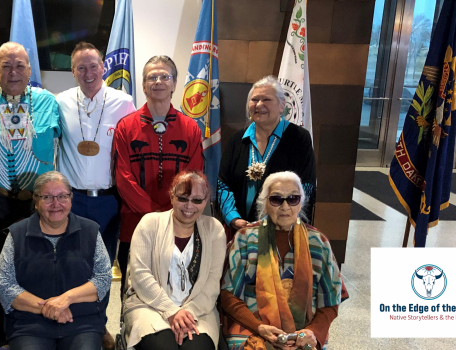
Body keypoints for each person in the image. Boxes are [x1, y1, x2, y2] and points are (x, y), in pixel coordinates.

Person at [0, 41, 61, 343]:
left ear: (30, 69)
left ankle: (37, 333)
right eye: (6, 65)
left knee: (35, 268)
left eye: (19, 65)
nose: (13, 71)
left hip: (36, 206)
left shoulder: (49, 103)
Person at [220, 171, 348, 350]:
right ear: (265, 203)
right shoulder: (245, 238)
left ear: (301, 203)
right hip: (252, 327)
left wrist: (312, 331)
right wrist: (259, 327)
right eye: (276, 199)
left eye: (293, 199)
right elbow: (228, 295)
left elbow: (330, 302)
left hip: (303, 330)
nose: (285, 206)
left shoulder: (318, 242)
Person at [0, 171, 112, 350]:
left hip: (81, 323)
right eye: (47, 197)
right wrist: (49, 309)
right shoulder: (16, 234)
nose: (56, 204)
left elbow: (103, 278)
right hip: (30, 325)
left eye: (62, 196)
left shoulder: (90, 231)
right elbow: (4, 284)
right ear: (35, 200)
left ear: (71, 198)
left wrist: (66, 299)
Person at [113, 55, 204, 280]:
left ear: (174, 84)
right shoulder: (125, 127)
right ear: (143, 85)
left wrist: (172, 214)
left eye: (165, 76)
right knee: (133, 286)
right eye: (152, 77)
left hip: (179, 222)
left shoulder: (190, 128)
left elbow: (193, 178)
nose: (158, 81)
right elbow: (123, 178)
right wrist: (155, 215)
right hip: (136, 224)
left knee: (175, 285)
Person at [121, 170, 226, 350]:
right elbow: (140, 275)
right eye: (183, 198)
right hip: (150, 305)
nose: (189, 206)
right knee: (163, 347)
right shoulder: (150, 223)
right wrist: (172, 311)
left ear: (206, 200)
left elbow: (211, 283)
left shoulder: (214, 229)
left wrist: (186, 313)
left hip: (198, 310)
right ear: (171, 196)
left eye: (197, 200)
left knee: (198, 348)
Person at [57, 41, 135, 264]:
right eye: (80, 68)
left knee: (103, 263)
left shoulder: (124, 103)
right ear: (73, 72)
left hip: (108, 200)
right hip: (71, 199)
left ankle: (100, 301)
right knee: (70, 262)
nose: (87, 73)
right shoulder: (60, 101)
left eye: (93, 66)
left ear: (103, 67)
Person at [217, 76, 316, 234]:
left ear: (282, 105)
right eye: (254, 99)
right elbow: (223, 184)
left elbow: (305, 187)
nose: (259, 105)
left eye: (266, 99)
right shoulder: (237, 140)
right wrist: (233, 218)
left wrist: (268, 223)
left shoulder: (299, 138)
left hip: (282, 229)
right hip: (240, 231)